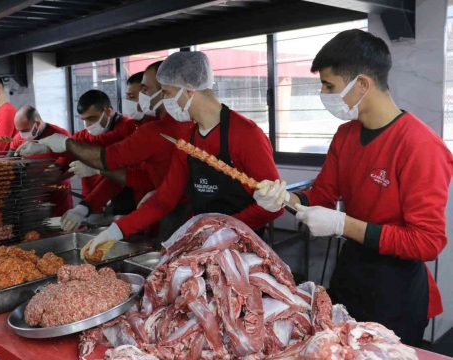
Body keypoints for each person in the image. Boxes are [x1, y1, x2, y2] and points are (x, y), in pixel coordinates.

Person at [253, 29, 453, 346]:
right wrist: (282, 198)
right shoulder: (346, 135)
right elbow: (320, 196)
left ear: (362, 84)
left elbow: (426, 242)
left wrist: (342, 223)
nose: (323, 94)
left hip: (396, 286)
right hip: (351, 271)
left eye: (329, 86)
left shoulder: (420, 146)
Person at [83, 51, 283, 256]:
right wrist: (116, 230)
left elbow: (276, 205)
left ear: (188, 91)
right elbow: (165, 199)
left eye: (167, 93)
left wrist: (223, 230)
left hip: (246, 246)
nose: (164, 100)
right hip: (205, 244)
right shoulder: (188, 139)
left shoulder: (246, 134)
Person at [32, 60, 193, 240]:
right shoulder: (143, 126)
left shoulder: (156, 129)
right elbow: (100, 144)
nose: (140, 98)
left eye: (144, 91)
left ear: (166, 91)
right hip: (154, 210)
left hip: (172, 213)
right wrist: (57, 155)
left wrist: (69, 146)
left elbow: (110, 157)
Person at [19, 90, 139, 219]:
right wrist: (57, 166)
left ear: (108, 112)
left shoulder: (129, 128)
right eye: (84, 120)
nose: (88, 125)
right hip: (92, 200)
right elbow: (72, 150)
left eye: (92, 118)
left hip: (126, 198)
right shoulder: (85, 134)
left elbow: (122, 169)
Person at [8, 105, 73, 216]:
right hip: (33, 194)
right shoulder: (18, 137)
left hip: (58, 193)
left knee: (61, 227)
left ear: (37, 124)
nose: (22, 135)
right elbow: (9, 161)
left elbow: (74, 164)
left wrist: (57, 174)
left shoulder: (60, 135)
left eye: (25, 130)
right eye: (19, 131)